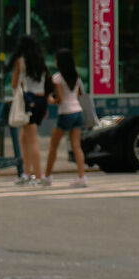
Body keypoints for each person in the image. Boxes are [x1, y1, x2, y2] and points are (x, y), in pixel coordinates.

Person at [42, 48, 89, 188]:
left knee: (53, 145)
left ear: (60, 62)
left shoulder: (57, 78)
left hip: (66, 113)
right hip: (78, 112)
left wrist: (51, 99)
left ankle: (48, 176)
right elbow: (79, 93)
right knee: (76, 146)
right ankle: (82, 176)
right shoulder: (76, 77)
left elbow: (60, 99)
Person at [6, 36, 48, 185]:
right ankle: (26, 173)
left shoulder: (21, 61)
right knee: (23, 138)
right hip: (41, 100)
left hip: (29, 101)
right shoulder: (41, 61)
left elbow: (13, 83)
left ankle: (38, 176)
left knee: (31, 140)